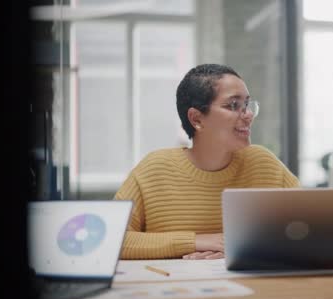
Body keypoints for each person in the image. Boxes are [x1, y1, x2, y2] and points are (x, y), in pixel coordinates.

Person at [115, 64, 300, 260]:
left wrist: (243, 246)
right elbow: (114, 240)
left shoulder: (265, 164)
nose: (248, 115)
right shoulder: (154, 169)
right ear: (196, 119)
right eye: (233, 106)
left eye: (247, 104)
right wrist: (198, 241)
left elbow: (308, 228)